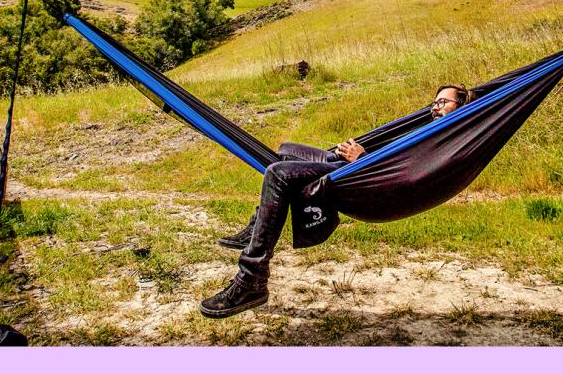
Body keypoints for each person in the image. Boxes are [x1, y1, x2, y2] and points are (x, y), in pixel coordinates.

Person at [199, 83, 477, 318]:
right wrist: (359, 153)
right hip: (359, 163)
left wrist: (362, 159)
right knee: (285, 150)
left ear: (461, 105)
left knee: (278, 174)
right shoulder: (428, 125)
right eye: (434, 101)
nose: (435, 106)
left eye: (444, 101)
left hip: (365, 176)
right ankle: (257, 227)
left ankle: (251, 280)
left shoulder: (445, 138)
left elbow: (411, 173)